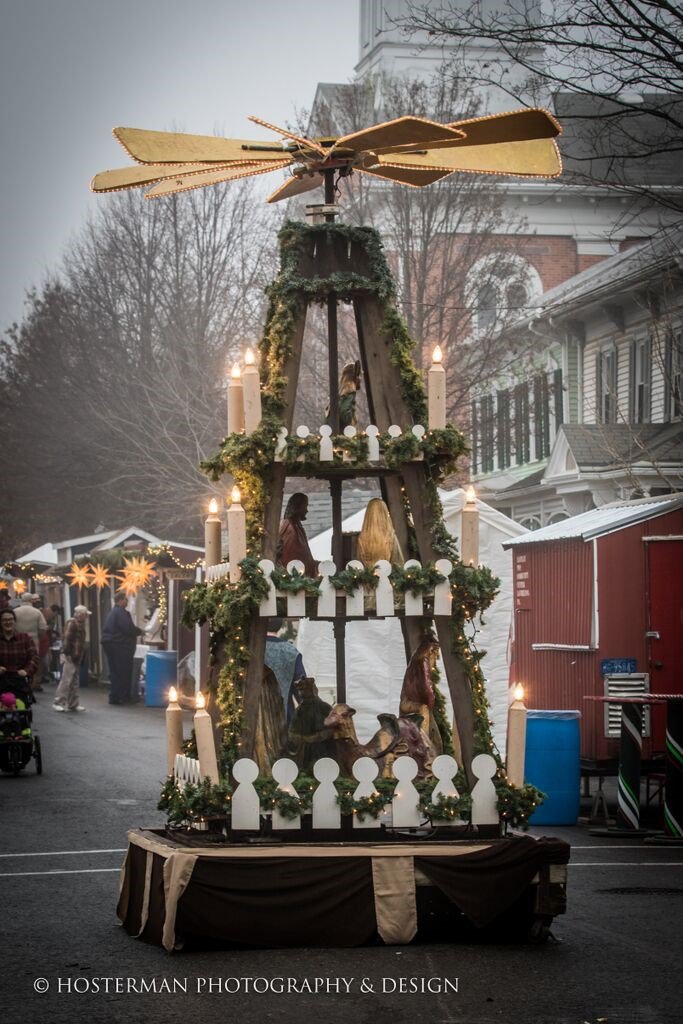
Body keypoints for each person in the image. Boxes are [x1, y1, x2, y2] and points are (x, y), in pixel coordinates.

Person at [101, 592, 144, 705]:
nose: (127, 602)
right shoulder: (121, 613)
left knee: (115, 671)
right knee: (123, 671)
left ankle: (114, 696)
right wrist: (140, 631)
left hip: (110, 643)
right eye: (126, 600)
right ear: (120, 600)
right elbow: (128, 628)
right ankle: (123, 696)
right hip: (119, 645)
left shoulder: (113, 612)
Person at [265, 618, 307, 722]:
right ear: (280, 626)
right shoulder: (291, 652)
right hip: (285, 716)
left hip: (256, 716)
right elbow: (301, 689)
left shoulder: (250, 650)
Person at [53, 605, 90, 712]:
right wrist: (68, 654)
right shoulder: (72, 624)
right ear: (80, 615)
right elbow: (67, 640)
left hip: (75, 656)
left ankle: (73, 703)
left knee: (73, 680)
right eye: (85, 615)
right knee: (67, 680)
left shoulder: (78, 624)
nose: (86, 617)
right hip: (71, 656)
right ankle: (59, 702)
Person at [0, 608, 39, 703]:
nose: (8, 622)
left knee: (22, 706)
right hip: (1, 679)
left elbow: (34, 657)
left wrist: (26, 671)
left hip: (19, 679)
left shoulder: (25, 638)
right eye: (5, 620)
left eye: (10, 619)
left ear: (14, 621)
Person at [276, 493, 318, 577]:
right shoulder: (290, 528)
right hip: (296, 576)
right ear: (298, 506)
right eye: (305, 506)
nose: (307, 510)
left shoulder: (296, 526)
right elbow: (291, 556)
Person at [13, 593, 48, 691]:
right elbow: (43, 628)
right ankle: (32, 683)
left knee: (19, 663)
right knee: (32, 663)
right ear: (31, 600)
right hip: (33, 641)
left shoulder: (15, 612)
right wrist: (38, 637)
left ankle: (19, 683)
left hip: (17, 642)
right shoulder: (37, 612)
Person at [357, 497, 404, 567]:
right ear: (384, 513)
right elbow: (398, 564)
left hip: (367, 577)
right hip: (389, 576)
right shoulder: (391, 536)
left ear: (368, 514)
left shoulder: (362, 538)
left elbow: (359, 566)